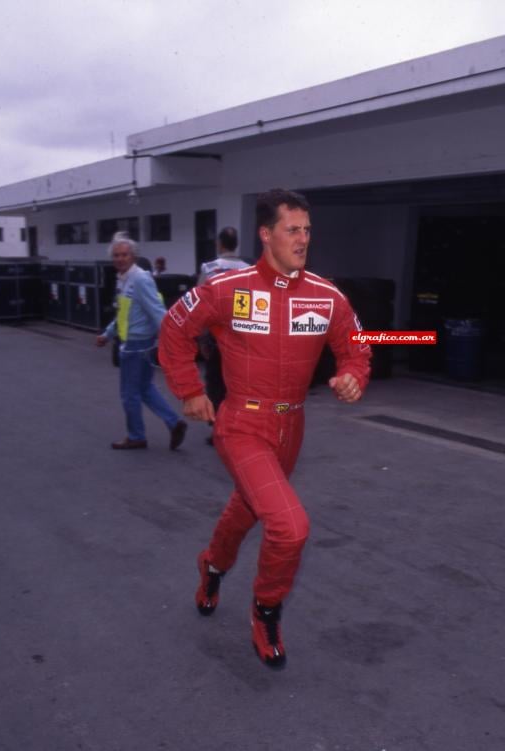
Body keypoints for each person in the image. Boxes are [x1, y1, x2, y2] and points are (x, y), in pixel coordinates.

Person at [159, 189, 371, 669]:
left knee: (248, 508)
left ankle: (212, 564)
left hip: (291, 426)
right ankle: (267, 610)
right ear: (266, 233)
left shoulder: (327, 295)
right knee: (290, 526)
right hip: (242, 423)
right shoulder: (227, 289)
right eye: (292, 229)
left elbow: (357, 345)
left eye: (307, 230)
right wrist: (189, 389)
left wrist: (354, 375)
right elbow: (174, 329)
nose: (302, 239)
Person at [96, 236, 187, 450]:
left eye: (124, 254)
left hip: (137, 346)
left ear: (133, 256)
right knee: (145, 388)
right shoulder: (123, 278)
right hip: (135, 343)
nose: (120, 259)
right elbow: (123, 313)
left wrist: (173, 341)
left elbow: (158, 312)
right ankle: (174, 424)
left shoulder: (140, 279)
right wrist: (108, 334)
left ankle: (136, 436)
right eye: (116, 255)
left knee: (129, 394)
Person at [197, 227, 249, 446]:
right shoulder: (249, 269)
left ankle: (219, 428)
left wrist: (201, 337)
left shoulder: (209, 269)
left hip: (216, 337)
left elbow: (201, 305)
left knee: (216, 383)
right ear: (236, 244)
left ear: (219, 243)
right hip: (242, 337)